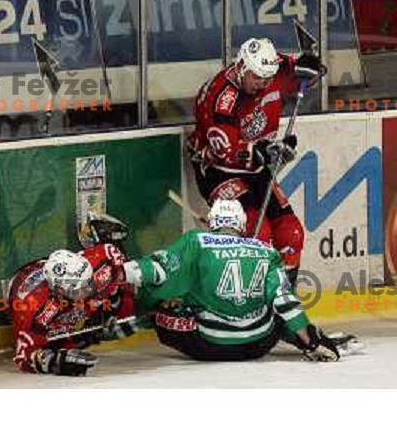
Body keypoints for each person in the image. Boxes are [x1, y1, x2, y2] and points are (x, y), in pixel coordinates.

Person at [123, 199, 342, 363]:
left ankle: (123, 325)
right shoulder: (266, 250)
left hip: (209, 346)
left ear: (212, 220)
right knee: (273, 308)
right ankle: (307, 339)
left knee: (163, 303)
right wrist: (309, 341)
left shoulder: (196, 241)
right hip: (259, 345)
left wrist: (121, 271)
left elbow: (157, 269)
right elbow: (284, 300)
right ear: (242, 223)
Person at [186, 38, 324, 287]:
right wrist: (265, 152)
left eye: (267, 78)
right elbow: (224, 152)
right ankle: (250, 300)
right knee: (257, 234)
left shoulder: (271, 67)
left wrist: (312, 67)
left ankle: (284, 300)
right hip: (218, 171)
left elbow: (302, 69)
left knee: (290, 232)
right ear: (241, 66)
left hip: (256, 169)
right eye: (257, 77)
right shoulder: (222, 98)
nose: (262, 84)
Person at [8, 214, 136, 376]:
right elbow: (23, 355)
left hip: (48, 273)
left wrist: (121, 302)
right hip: (23, 290)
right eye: (78, 291)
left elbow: (116, 258)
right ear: (58, 291)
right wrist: (54, 361)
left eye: (88, 283)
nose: (88, 290)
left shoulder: (100, 261)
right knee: (58, 342)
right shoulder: (34, 309)